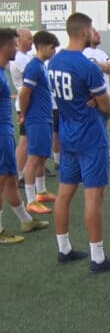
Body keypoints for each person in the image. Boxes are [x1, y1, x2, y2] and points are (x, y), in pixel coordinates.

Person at [49, 12, 110, 272]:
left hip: (68, 135)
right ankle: (98, 258)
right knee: (94, 196)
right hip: (91, 137)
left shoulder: (55, 62)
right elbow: (105, 106)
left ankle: (64, 248)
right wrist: (97, 105)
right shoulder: (86, 66)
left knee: (64, 193)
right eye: (91, 30)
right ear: (84, 32)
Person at [0, 29, 49, 243]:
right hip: (1, 133)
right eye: (13, 44)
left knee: (11, 178)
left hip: (6, 131)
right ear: (4, 47)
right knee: (2, 180)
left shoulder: (3, 70)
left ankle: (26, 220)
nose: (16, 47)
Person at [18, 31, 59, 215]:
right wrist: (24, 115)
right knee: (34, 158)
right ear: (42, 47)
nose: (54, 51)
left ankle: (41, 192)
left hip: (45, 117)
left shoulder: (41, 66)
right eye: (52, 48)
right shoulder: (33, 67)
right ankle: (31, 200)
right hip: (36, 119)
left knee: (42, 156)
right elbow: (24, 93)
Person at [83, 28, 110, 162]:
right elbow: (87, 70)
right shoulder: (83, 52)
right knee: (91, 128)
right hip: (93, 98)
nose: (98, 35)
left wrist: (98, 64)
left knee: (103, 127)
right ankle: (92, 155)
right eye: (95, 33)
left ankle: (106, 152)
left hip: (105, 97)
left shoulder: (101, 53)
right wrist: (103, 66)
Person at [10, 28, 33, 188]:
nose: (32, 41)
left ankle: (25, 170)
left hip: (29, 103)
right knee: (25, 140)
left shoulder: (25, 56)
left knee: (29, 140)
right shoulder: (20, 58)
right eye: (29, 38)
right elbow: (32, 80)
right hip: (26, 104)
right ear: (19, 40)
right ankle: (18, 175)